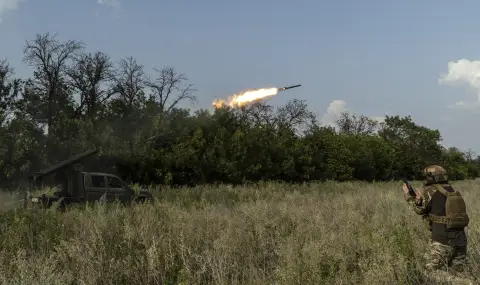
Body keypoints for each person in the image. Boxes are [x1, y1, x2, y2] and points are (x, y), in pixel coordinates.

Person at [402, 165, 469, 276]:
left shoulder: (430, 190)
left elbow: (420, 210)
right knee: (457, 273)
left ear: (431, 177)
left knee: (429, 274)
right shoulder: (452, 190)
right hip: (461, 239)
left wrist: (408, 196)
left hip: (442, 239)